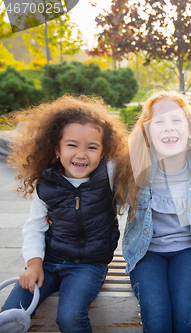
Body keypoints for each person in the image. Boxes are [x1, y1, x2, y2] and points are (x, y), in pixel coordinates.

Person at [1, 95, 127, 332]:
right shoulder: (47, 183)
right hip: (49, 261)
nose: (81, 154)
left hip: (88, 265)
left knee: (69, 317)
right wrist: (34, 263)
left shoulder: (108, 174)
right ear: (57, 149)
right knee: (9, 313)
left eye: (92, 147)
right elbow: (34, 227)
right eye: (72, 145)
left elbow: (140, 159)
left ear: (104, 151)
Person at [119, 90, 191, 333]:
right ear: (147, 133)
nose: (168, 127)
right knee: (156, 317)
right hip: (147, 254)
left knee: (184, 314)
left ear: (189, 132)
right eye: (159, 122)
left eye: (176, 120)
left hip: (188, 251)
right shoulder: (135, 168)